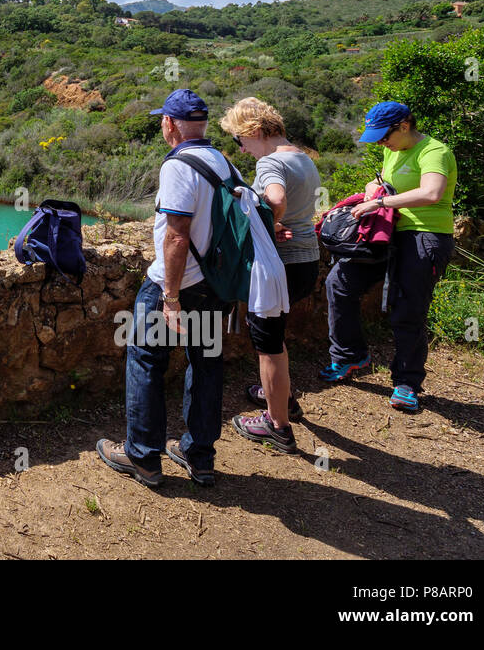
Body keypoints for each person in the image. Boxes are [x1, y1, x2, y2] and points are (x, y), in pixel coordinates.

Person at [96, 88, 232, 488]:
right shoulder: (222, 162)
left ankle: (142, 457)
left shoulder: (177, 166)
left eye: (162, 119)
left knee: (145, 361)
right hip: (214, 284)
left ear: (169, 123)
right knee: (206, 365)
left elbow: (176, 235)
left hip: (176, 286)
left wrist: (170, 298)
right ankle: (199, 456)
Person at [320, 101, 456, 413]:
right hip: (386, 233)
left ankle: (407, 382)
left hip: (425, 235)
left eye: (385, 136)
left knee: (407, 307)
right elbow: (383, 181)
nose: (382, 142)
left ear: (405, 125)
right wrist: (373, 190)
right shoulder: (392, 150)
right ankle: (350, 356)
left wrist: (382, 204)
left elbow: (432, 192)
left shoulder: (433, 151)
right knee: (340, 283)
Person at [219, 97, 322, 453]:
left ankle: (276, 424)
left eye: (239, 139)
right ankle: (283, 397)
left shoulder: (270, 162)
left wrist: (269, 225)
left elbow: (275, 200)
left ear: (257, 132)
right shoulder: (302, 157)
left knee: (269, 346)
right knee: (276, 337)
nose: (241, 148)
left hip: (280, 265)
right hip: (307, 259)